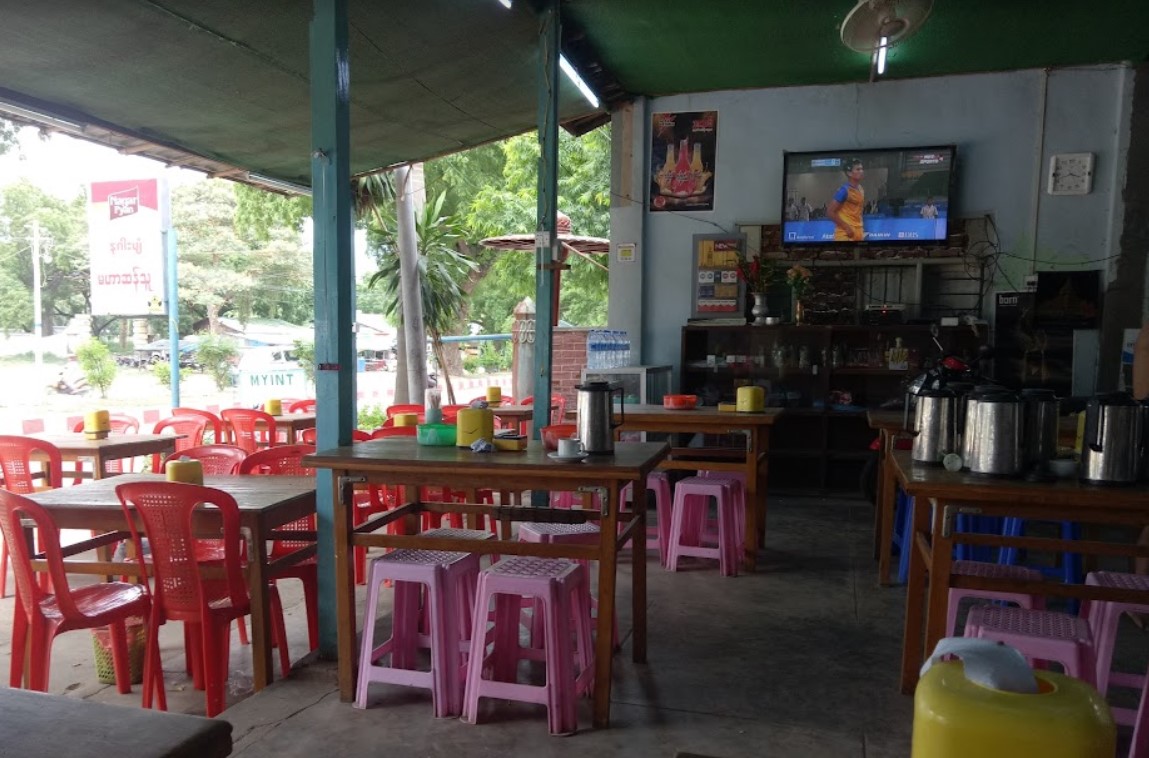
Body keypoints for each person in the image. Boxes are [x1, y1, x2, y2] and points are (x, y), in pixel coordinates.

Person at [827, 158, 865, 242]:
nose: (861, 171)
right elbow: (830, 212)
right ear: (849, 173)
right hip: (845, 234)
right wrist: (846, 227)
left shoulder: (861, 189)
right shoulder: (843, 190)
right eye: (858, 169)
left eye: (861, 169)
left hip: (858, 232)